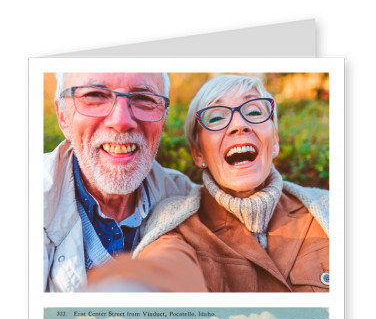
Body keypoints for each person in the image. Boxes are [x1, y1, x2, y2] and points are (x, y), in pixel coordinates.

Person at [90, 74, 329, 292]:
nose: (239, 125)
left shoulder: (328, 209)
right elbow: (165, 266)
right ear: (198, 153)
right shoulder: (176, 224)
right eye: (216, 118)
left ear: (274, 140)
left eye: (255, 112)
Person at [44, 72, 198, 292]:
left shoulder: (187, 200)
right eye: (95, 95)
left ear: (163, 117)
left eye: (144, 99)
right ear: (62, 116)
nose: (121, 121)